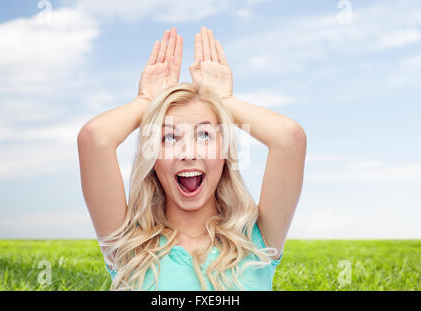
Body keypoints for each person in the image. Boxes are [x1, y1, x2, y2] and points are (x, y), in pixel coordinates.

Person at [77, 26, 307, 291]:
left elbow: (289, 138)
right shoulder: (130, 245)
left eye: (204, 135)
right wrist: (147, 101)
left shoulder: (256, 239)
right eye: (170, 138)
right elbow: (94, 138)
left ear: (224, 154)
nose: (188, 153)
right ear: (153, 157)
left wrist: (222, 100)